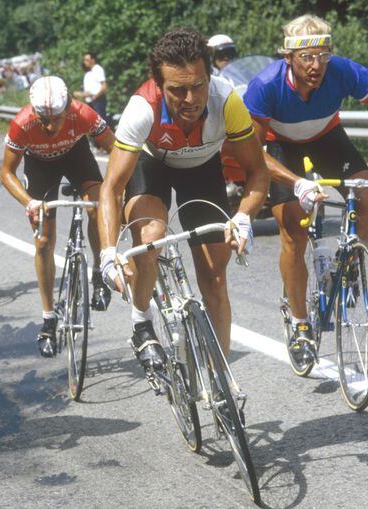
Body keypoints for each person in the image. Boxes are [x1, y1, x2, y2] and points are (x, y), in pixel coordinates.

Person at [242, 14, 368, 362]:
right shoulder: (265, 86)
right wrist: (297, 183)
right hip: (280, 147)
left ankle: (349, 264)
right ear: (288, 58)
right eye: (307, 57)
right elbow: (252, 154)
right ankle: (300, 324)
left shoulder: (344, 71)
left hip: (327, 139)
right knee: (293, 233)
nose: (317, 66)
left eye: (323, 56)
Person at [98, 28, 269, 372]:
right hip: (153, 165)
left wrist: (245, 216)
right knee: (149, 240)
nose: (190, 99)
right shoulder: (142, 108)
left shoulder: (228, 101)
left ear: (210, 76)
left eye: (198, 85)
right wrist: (107, 252)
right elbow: (112, 187)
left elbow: (257, 173)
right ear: (160, 86)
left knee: (215, 277)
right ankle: (141, 322)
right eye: (177, 89)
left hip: (202, 170)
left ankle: (222, 380)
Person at [0, 76, 116, 357]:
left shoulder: (83, 114)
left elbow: (116, 149)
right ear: (33, 112)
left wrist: (114, 189)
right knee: (43, 241)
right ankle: (48, 319)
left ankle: (99, 275)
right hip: (40, 168)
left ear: (69, 109)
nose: (50, 126)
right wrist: (29, 203)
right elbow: (6, 172)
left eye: (56, 118)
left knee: (97, 208)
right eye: (43, 119)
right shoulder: (21, 123)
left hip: (77, 158)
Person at [73, 52, 108, 122]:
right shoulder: (88, 73)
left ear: (93, 60)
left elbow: (104, 86)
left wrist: (95, 97)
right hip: (90, 102)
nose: (85, 62)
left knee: (100, 123)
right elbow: (89, 91)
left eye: (87, 60)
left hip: (98, 101)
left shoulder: (97, 69)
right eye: (84, 60)